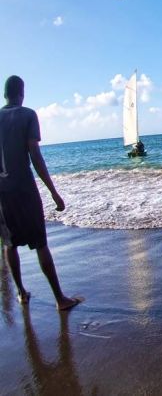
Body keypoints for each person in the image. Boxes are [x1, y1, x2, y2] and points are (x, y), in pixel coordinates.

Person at [0, 76, 81, 311]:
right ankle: (59, 299)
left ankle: (21, 293)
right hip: (25, 189)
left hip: (2, 193)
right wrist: (53, 192)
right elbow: (35, 155)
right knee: (40, 243)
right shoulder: (28, 115)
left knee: (9, 244)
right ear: (22, 93)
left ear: (5, 94)